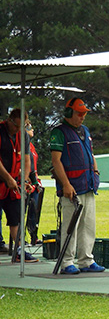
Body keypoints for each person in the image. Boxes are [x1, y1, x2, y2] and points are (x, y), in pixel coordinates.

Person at [49, 98, 105, 274]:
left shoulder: (85, 131)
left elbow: (91, 154)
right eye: (79, 113)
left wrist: (95, 173)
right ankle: (66, 262)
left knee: (88, 225)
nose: (82, 117)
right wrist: (65, 184)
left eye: (84, 114)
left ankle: (86, 260)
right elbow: (56, 161)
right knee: (70, 227)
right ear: (68, 113)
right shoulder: (59, 132)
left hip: (88, 185)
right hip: (71, 188)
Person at [0, 108, 38, 262]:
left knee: (16, 216)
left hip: (13, 183)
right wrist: (7, 177)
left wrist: (26, 179)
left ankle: (19, 251)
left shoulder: (22, 136)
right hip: (2, 180)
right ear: (9, 121)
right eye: (16, 126)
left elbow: (27, 158)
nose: (18, 130)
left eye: (21, 127)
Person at [25, 121, 44, 245]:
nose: (32, 130)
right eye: (29, 128)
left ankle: (33, 236)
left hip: (34, 183)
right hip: (26, 183)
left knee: (34, 210)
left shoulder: (31, 146)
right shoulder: (22, 145)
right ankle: (19, 238)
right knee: (21, 211)